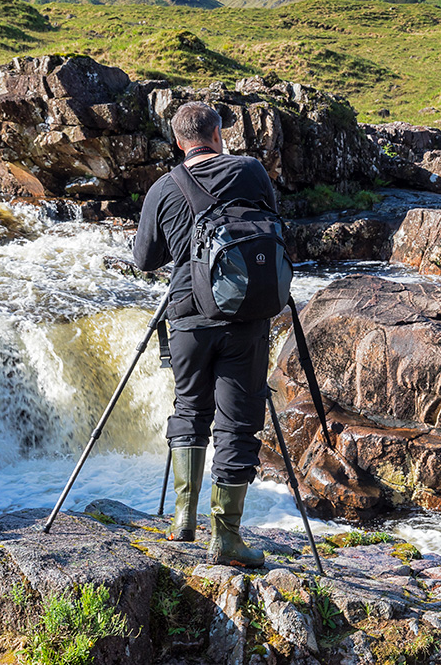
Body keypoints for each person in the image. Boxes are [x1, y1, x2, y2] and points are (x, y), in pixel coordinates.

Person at [132, 100, 277, 567]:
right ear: (217, 135)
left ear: (178, 142)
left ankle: (182, 520)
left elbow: (144, 260)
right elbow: (273, 226)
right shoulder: (251, 171)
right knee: (237, 420)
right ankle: (226, 538)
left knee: (190, 406)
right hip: (245, 316)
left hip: (187, 319)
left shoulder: (163, 187)